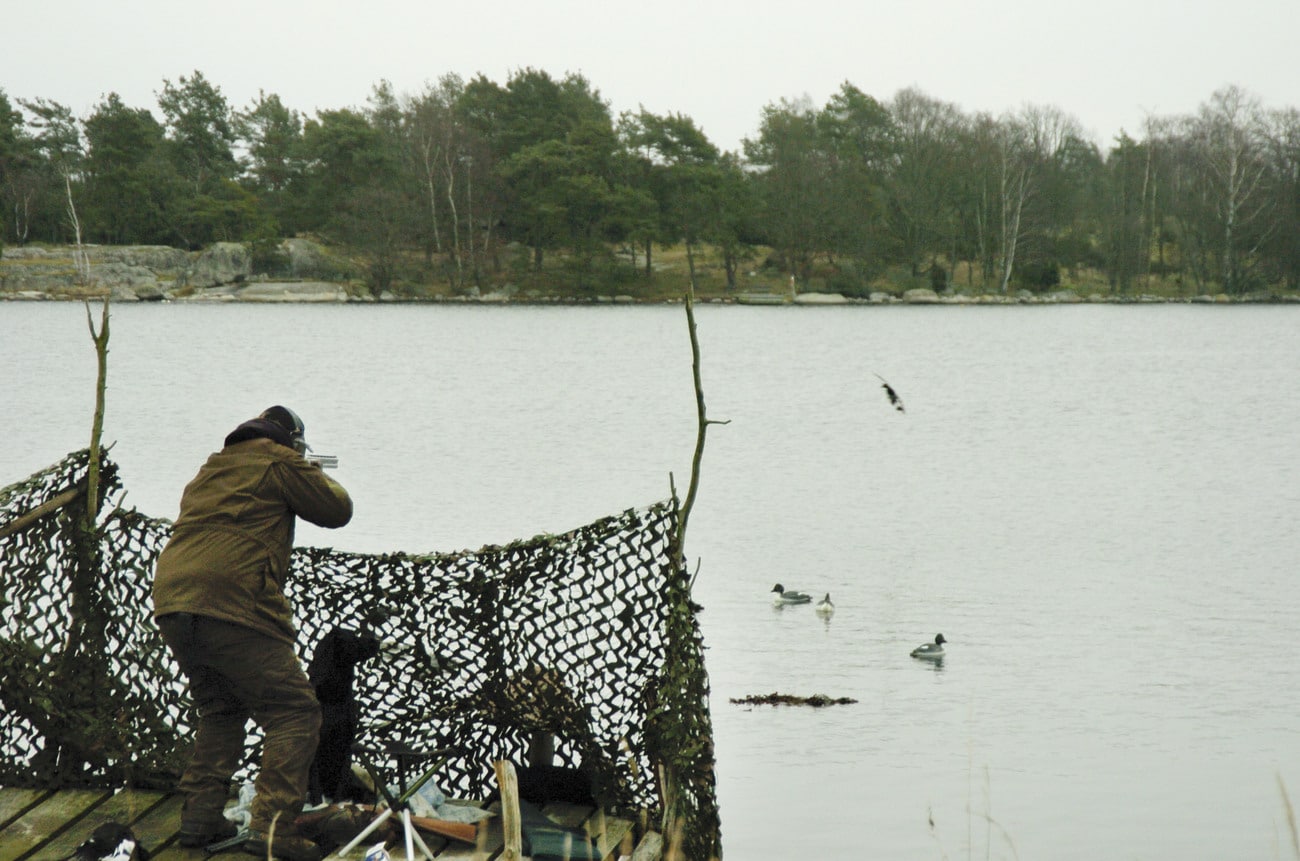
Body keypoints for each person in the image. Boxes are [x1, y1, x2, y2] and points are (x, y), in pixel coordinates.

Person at [152, 406, 353, 861]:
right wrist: (310, 470)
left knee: (220, 710)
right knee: (295, 714)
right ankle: (275, 828)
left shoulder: (212, 467)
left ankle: (200, 820)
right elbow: (337, 510)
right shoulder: (281, 461)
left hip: (174, 602)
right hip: (234, 601)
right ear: (292, 442)